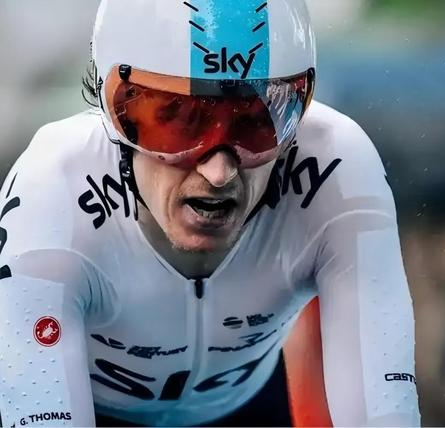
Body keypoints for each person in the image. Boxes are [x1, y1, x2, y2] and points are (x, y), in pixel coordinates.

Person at [0, 1, 420, 426]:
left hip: (244, 407)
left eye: (256, 122)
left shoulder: (337, 168)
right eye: (180, 122)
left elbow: (385, 412)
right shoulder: (53, 191)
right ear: (114, 114)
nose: (219, 173)